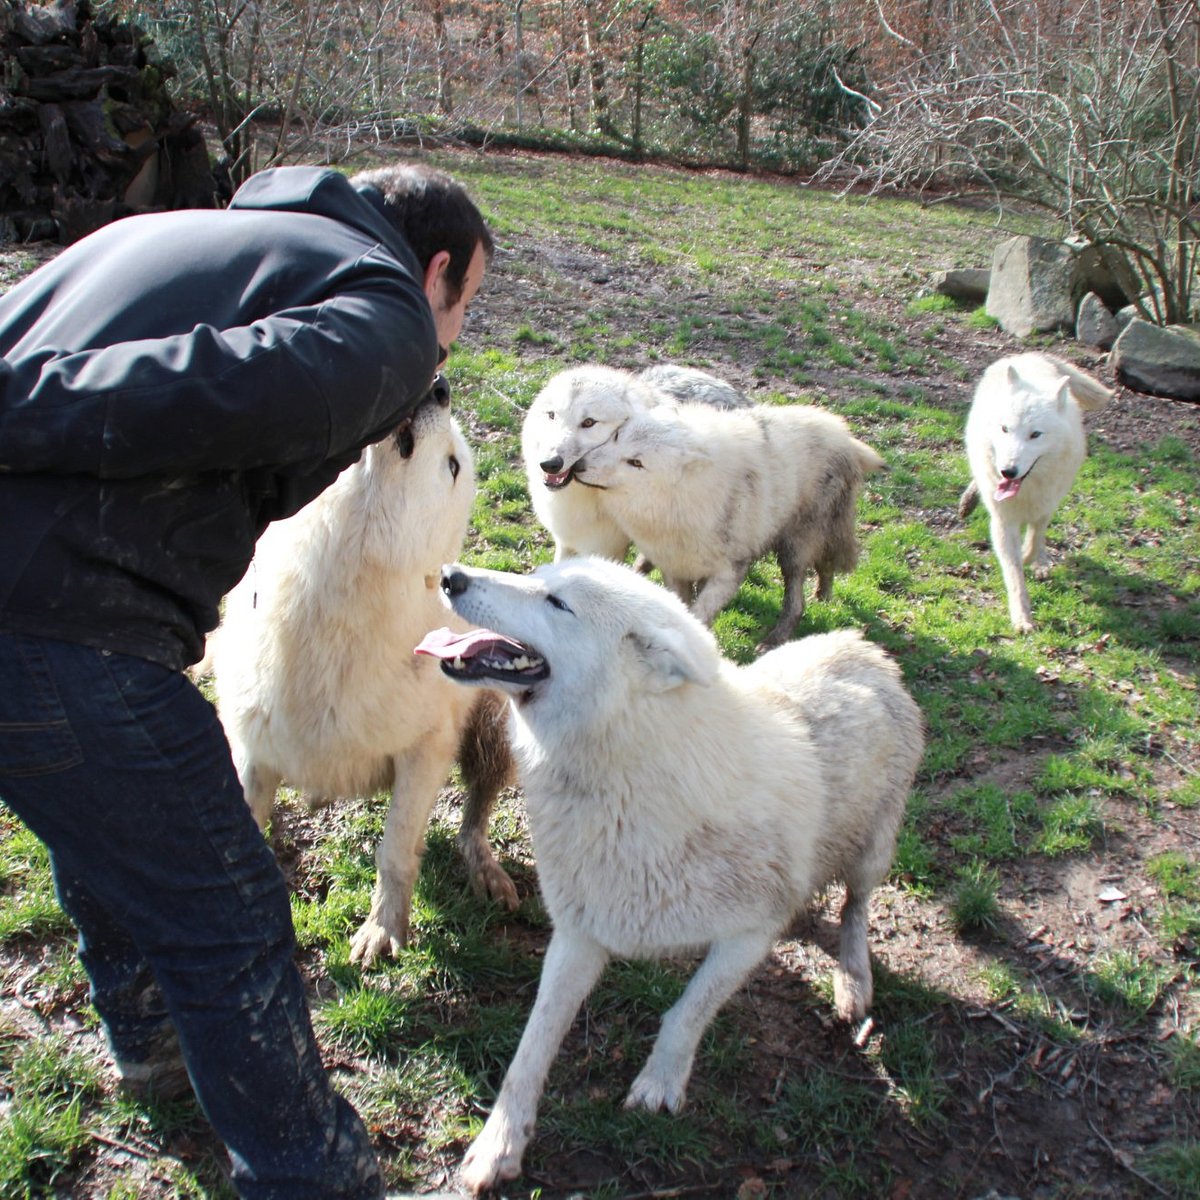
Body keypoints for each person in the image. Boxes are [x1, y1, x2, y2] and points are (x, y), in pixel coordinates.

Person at [0, 162, 493, 1199]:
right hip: (60, 624)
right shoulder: (385, 308)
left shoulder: (165, 239)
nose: (446, 345)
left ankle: (150, 1050)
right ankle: (314, 1179)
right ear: (436, 270)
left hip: (40, 625)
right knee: (228, 913)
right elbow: (196, 392)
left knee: (106, 822)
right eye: (466, 307)